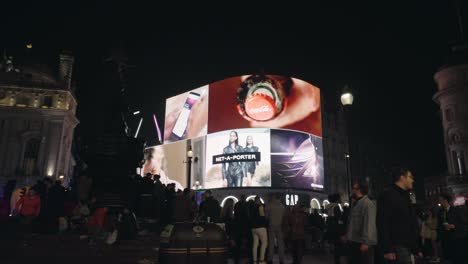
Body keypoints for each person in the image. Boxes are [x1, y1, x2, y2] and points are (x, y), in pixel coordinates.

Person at [376, 167, 422, 263]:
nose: (413, 180)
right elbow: (382, 223)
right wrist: (387, 249)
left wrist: (416, 248)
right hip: (398, 247)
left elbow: (410, 222)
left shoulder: (405, 196)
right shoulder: (388, 196)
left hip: (408, 246)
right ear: (402, 178)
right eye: (410, 177)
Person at [346, 182, 377, 264]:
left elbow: (369, 224)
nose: (352, 190)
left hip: (361, 243)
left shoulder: (367, 204)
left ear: (359, 190)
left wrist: (366, 242)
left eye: (354, 188)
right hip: (354, 241)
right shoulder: (355, 203)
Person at [437, 193, 468, 264]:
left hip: (458, 240)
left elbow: (464, 225)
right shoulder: (440, 213)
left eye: (441, 200)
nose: (439, 202)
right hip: (447, 241)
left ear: (446, 200)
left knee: (459, 259)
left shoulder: (457, 210)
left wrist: (454, 226)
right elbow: (439, 226)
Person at [265, 193, 286, 264]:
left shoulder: (270, 205)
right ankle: (281, 260)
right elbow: (283, 217)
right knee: (280, 244)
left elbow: (266, 217)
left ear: (274, 197)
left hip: (271, 225)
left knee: (271, 243)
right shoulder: (282, 206)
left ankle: (270, 259)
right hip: (279, 226)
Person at [250, 196, 268, 264]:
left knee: (255, 244)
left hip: (253, 228)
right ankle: (261, 260)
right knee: (264, 243)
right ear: (259, 200)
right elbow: (263, 217)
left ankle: (254, 260)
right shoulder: (260, 207)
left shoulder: (251, 207)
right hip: (261, 227)